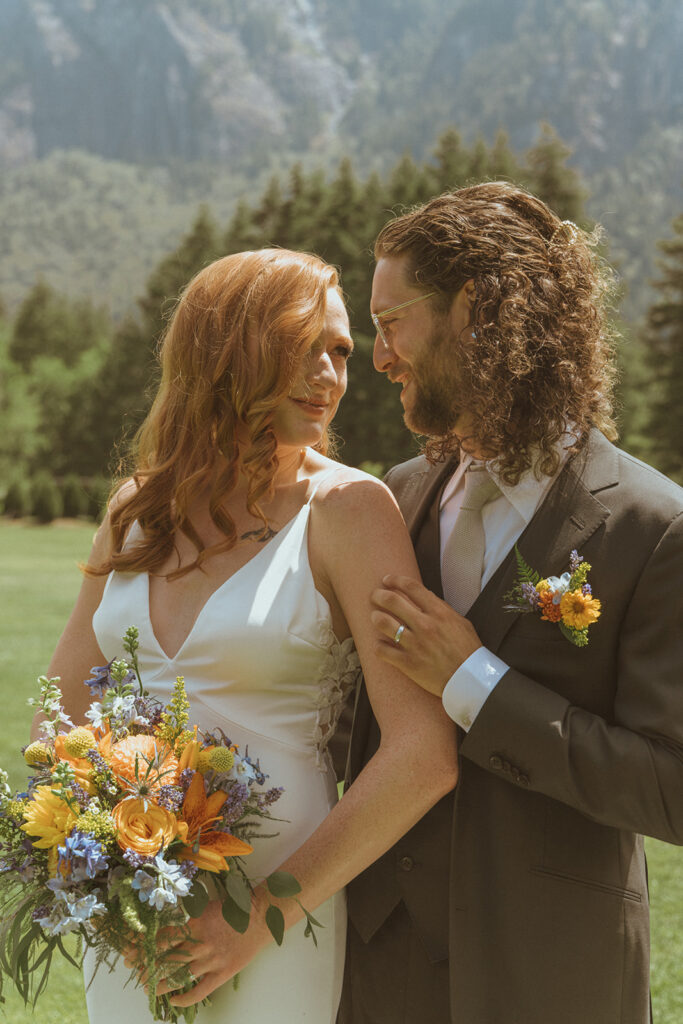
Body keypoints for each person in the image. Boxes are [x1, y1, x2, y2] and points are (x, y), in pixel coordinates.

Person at [37, 248, 458, 1023]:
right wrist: (99, 871)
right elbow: (57, 718)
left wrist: (259, 918)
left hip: (277, 913)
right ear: (224, 350)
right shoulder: (135, 507)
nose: (330, 373)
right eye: (303, 347)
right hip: (131, 916)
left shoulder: (349, 512)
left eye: (338, 351)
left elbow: (422, 755)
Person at [339, 182, 683, 1024]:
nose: (377, 357)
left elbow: (671, 788)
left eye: (391, 323)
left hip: (551, 976)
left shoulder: (653, 526)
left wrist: (473, 682)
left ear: (475, 312)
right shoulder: (397, 496)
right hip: (374, 973)